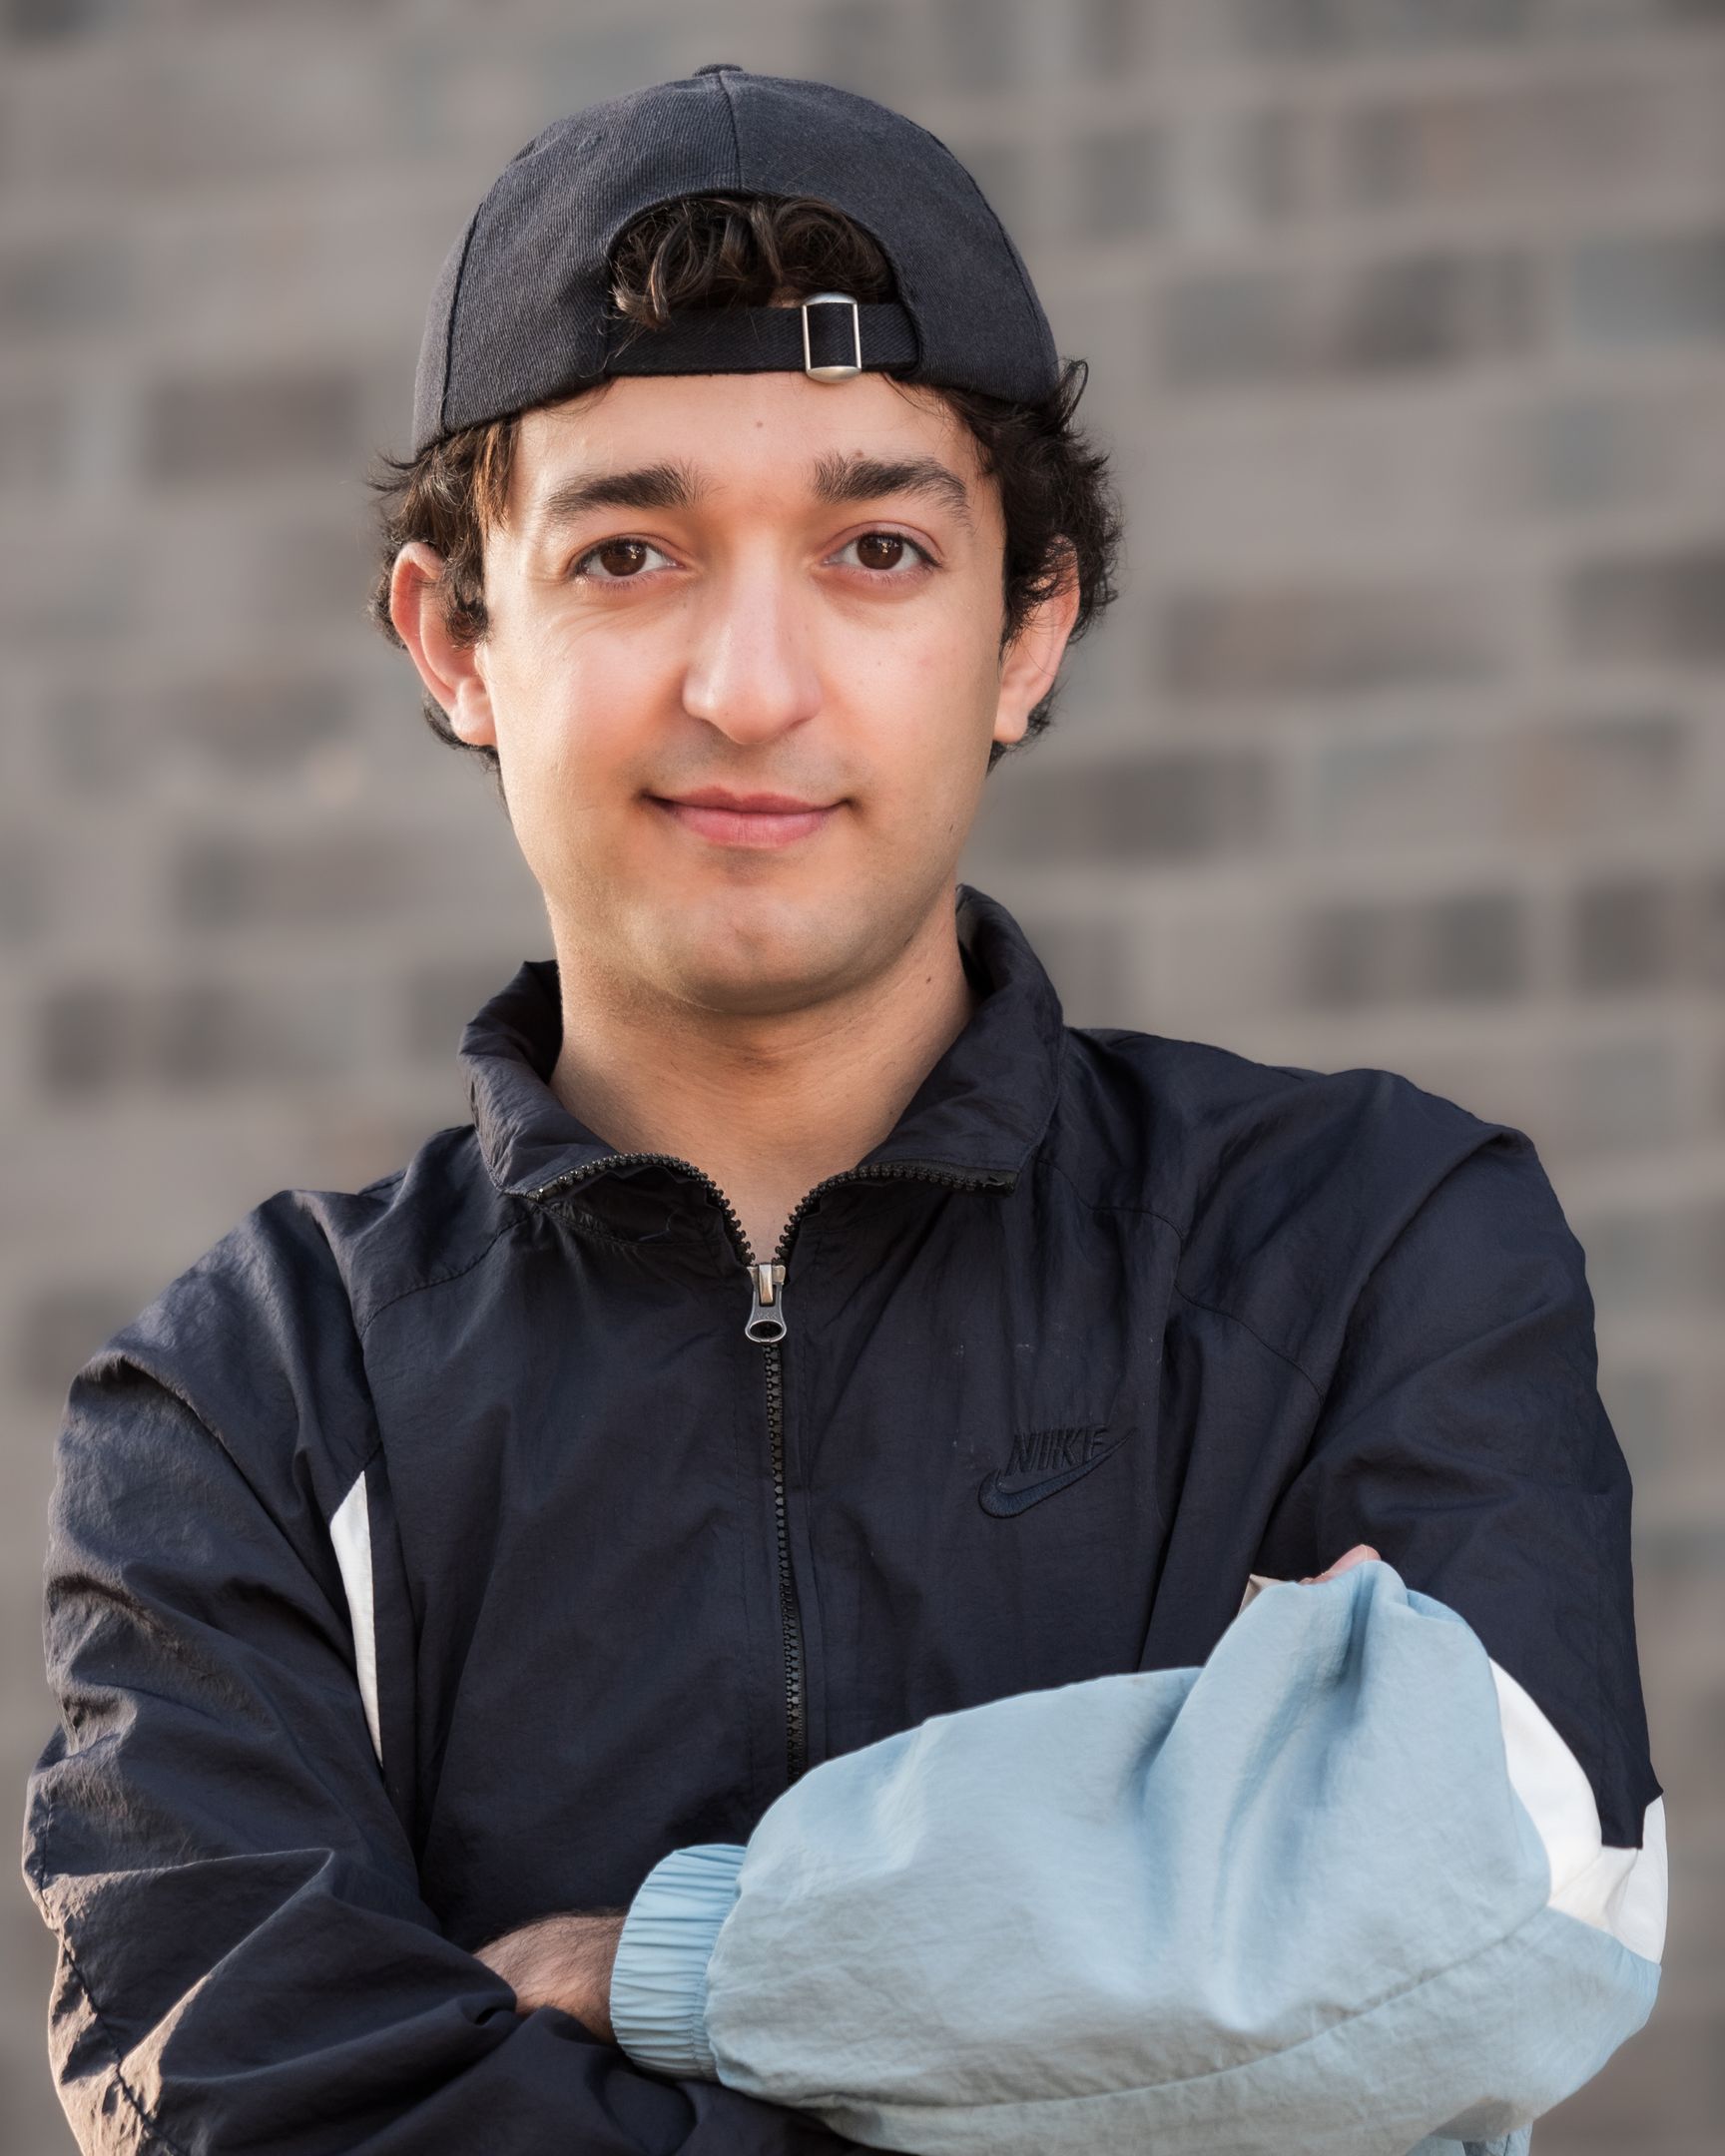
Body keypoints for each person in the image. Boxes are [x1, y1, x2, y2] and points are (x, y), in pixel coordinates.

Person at [23, 63, 1663, 2156]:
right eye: (630, 553)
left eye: (877, 547)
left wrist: (707, 1959)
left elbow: (1495, 1897)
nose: (750, 686)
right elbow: (258, 2111)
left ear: (1029, 626)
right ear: (456, 639)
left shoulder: (1368, 1249)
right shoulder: (249, 1406)